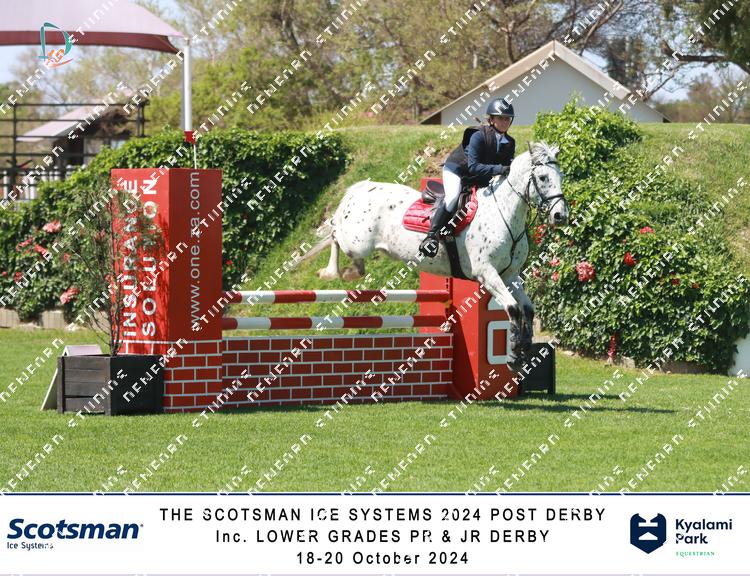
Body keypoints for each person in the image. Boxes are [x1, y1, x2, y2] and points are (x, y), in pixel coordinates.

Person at [418, 98, 516, 257]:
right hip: (457, 170)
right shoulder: (478, 135)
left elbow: (507, 169)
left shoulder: (510, 142)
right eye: (501, 118)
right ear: (491, 119)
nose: (505, 122)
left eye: (507, 119)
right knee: (452, 196)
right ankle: (431, 237)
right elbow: (474, 167)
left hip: (479, 177)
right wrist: (500, 169)